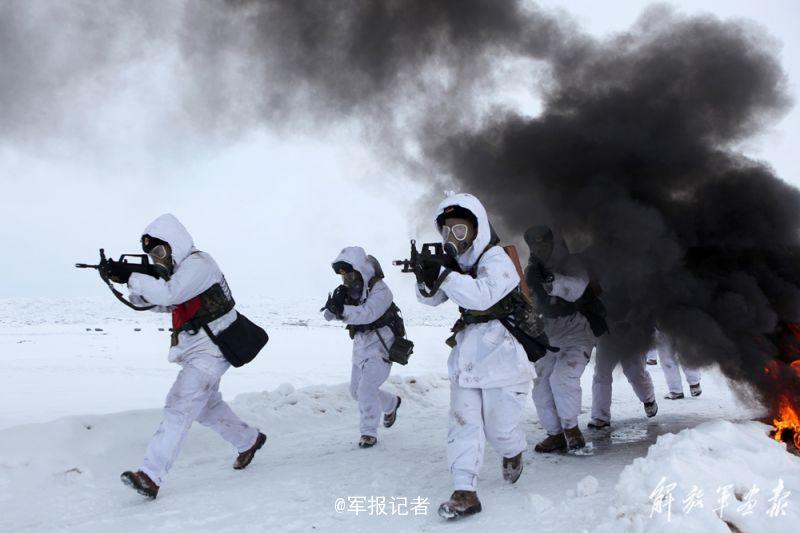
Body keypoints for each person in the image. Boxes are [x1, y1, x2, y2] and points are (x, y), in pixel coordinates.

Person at [114, 214, 265, 499]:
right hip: (199, 349)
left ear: (175, 244)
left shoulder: (199, 264)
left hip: (212, 349)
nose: (158, 258)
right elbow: (161, 303)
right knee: (207, 408)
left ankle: (151, 474)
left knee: (179, 405)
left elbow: (170, 294)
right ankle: (249, 440)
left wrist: (133, 277)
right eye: (152, 254)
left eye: (160, 251)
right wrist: (128, 284)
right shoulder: (181, 274)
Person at [415, 193, 532, 520]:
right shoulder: (456, 265)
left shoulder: (497, 260)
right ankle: (464, 490)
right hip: (467, 357)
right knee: (463, 422)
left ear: (478, 229)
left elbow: (481, 297)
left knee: (499, 430)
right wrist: (424, 277)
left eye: (461, 232)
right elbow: (431, 299)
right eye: (447, 232)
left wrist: (445, 274)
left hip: (504, 357)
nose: (453, 239)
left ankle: (513, 451)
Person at [525, 225, 604, 453]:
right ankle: (555, 434)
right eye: (534, 243)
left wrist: (551, 279)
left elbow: (577, 286)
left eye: (543, 242)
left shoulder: (571, 263)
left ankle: (572, 431)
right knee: (540, 384)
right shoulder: (533, 268)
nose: (539, 247)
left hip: (578, 329)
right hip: (549, 332)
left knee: (563, 378)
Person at [322, 246, 402, 449]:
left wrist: (342, 310)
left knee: (366, 391)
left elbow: (368, 313)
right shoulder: (350, 292)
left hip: (382, 347)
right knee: (356, 392)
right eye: (343, 274)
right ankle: (391, 403)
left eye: (349, 272)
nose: (346, 277)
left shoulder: (381, 290)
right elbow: (328, 316)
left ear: (361, 270)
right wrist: (333, 307)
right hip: (360, 347)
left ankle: (368, 433)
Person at [588, 340, 658, 429]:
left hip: (631, 335)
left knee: (635, 373)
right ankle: (600, 416)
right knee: (601, 374)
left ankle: (649, 400)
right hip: (606, 336)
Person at [655, 329, 702, 399]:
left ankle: (694, 383)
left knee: (686, 353)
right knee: (666, 359)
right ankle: (676, 390)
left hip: (681, 323)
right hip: (660, 327)